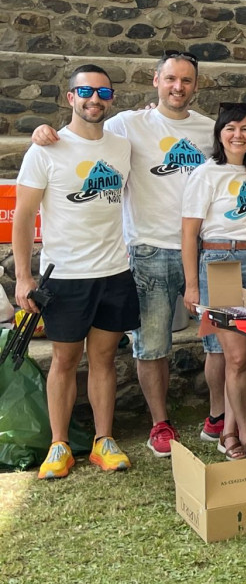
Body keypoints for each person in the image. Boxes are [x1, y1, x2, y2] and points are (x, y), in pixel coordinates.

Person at [29, 51, 217, 458]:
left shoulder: (208, 130)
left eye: (186, 81)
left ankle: (216, 417)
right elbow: (80, 131)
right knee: (149, 346)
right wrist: (43, 131)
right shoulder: (127, 124)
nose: (178, 87)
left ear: (196, 86)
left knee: (217, 342)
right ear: (156, 80)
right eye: (170, 79)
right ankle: (156, 424)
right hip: (144, 251)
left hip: (197, 252)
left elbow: (237, 155)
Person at [14, 64, 137, 479]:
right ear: (70, 97)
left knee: (103, 359)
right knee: (65, 361)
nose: (94, 100)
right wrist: (23, 278)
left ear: (112, 100)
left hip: (115, 271)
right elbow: (24, 217)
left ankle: (104, 440)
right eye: (85, 92)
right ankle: (59, 444)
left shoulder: (122, 147)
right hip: (64, 275)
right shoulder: (45, 149)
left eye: (104, 93)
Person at [182, 106, 246, 460]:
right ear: (219, 133)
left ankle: (230, 431)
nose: (239, 135)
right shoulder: (206, 174)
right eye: (231, 128)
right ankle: (245, 431)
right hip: (222, 264)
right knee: (235, 355)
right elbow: (189, 234)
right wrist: (192, 285)